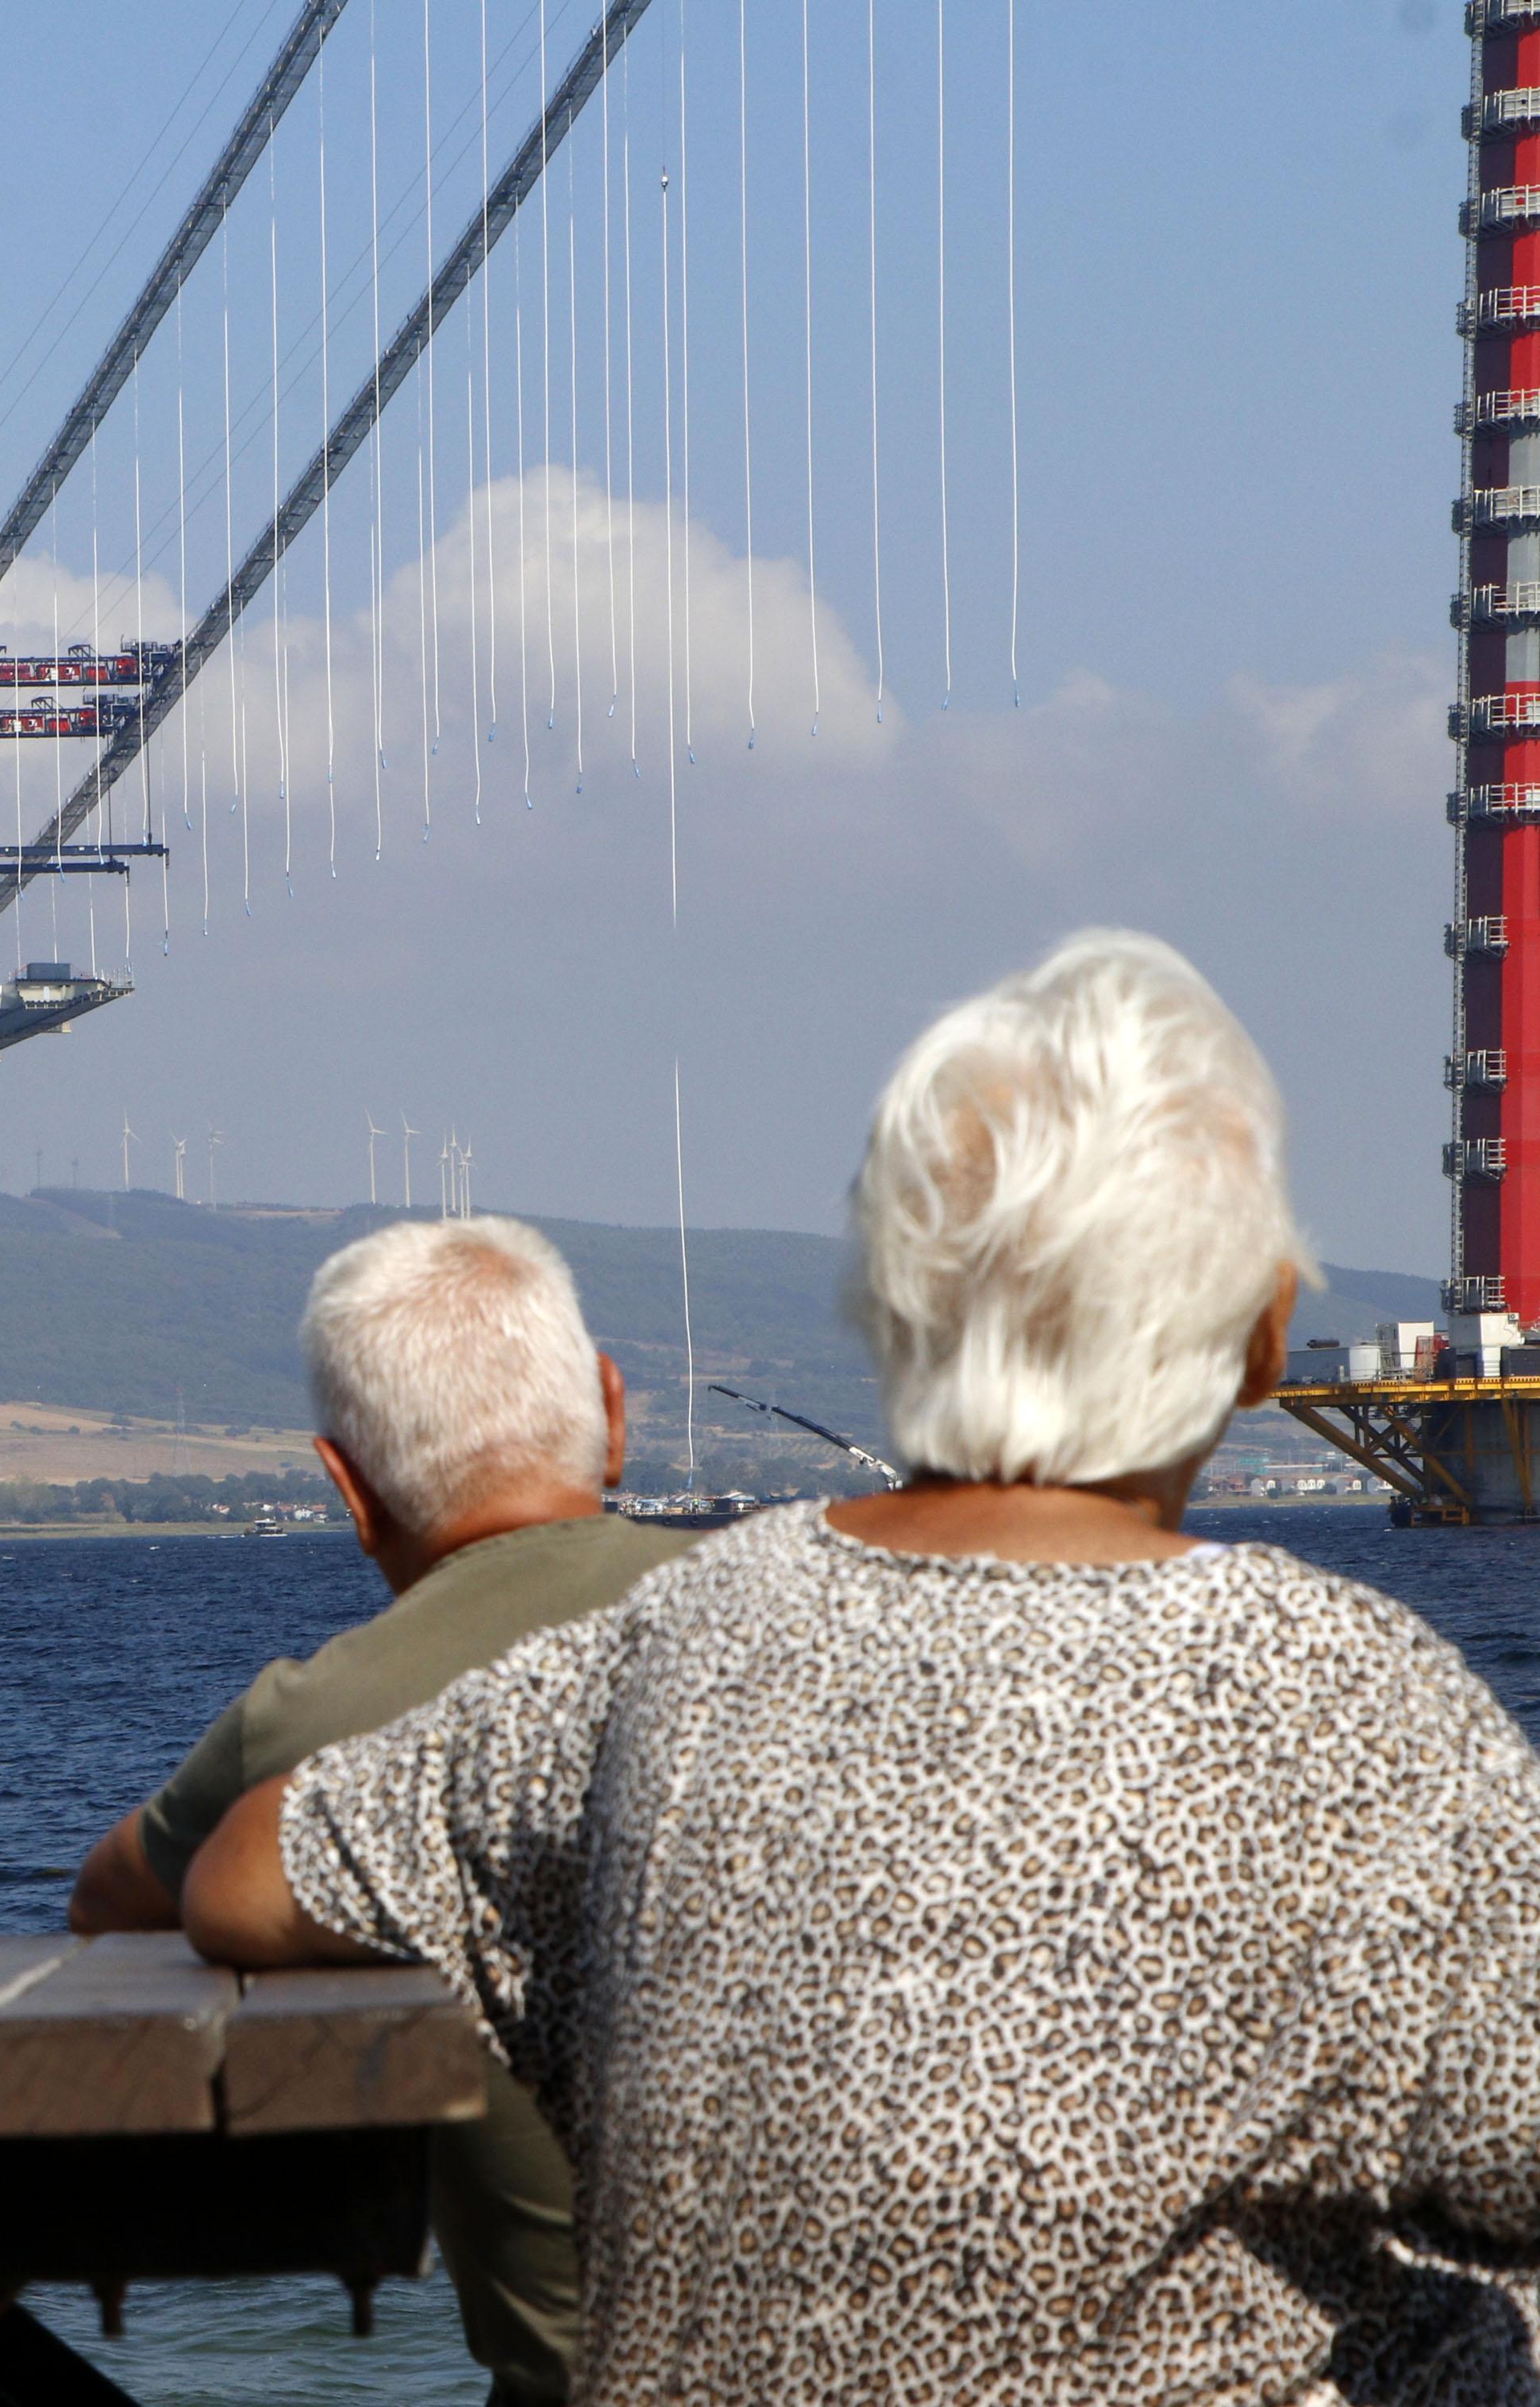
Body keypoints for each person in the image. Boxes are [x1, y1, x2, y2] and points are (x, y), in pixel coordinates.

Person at [186, 931, 1540, 2401]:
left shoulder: (673, 1638)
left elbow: (245, 1876)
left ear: (891, 1316)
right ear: (1267, 1338)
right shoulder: (1351, 1700)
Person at [67, 1215, 685, 2405]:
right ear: (611, 1412)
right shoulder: (813, 1623)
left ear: (345, 1487)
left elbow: (108, 1902)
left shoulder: (314, 1720)